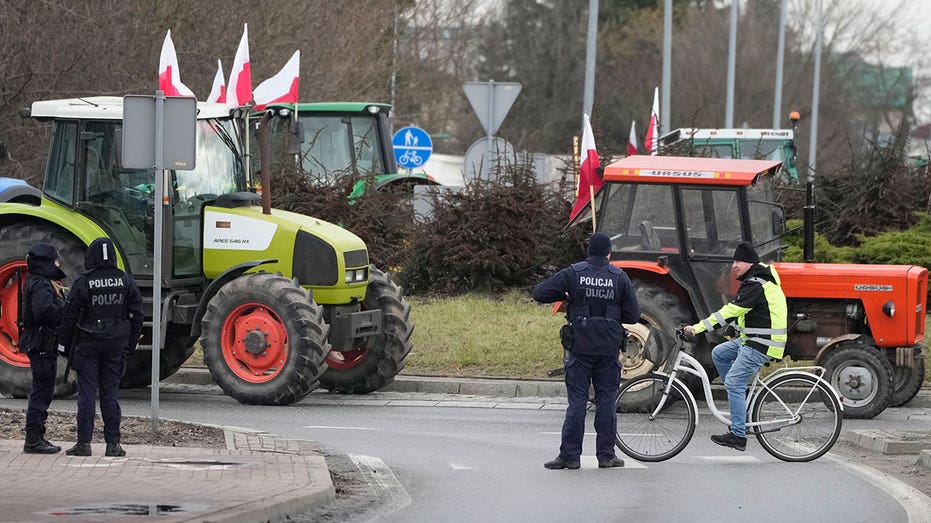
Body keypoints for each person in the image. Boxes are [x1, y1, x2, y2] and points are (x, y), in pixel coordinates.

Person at [533, 232, 641, 469]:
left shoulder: (574, 273)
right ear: (609, 253)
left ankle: (570, 457)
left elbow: (539, 293)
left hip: (580, 347)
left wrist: (568, 296)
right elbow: (633, 315)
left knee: (578, 403)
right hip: (608, 349)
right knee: (606, 402)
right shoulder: (619, 276)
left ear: (588, 252)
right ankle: (606, 456)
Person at [683, 241, 787, 451]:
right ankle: (741, 397)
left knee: (732, 382)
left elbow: (732, 310)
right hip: (755, 337)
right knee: (720, 353)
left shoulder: (756, 284)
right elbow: (746, 313)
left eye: (738, 261)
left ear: (749, 263)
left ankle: (738, 435)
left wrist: (700, 327)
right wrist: (732, 331)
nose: (734, 266)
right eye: (734, 261)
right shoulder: (756, 281)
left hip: (762, 343)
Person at [58, 237, 143, 457]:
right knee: (110, 394)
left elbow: (69, 317)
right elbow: (137, 316)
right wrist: (130, 344)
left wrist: (64, 347)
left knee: (86, 395)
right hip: (116, 344)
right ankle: (113, 444)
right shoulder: (126, 280)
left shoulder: (84, 282)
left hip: (88, 344)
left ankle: (84, 444)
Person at [20, 243, 68, 454]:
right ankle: (33, 438)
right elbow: (44, 310)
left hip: (41, 343)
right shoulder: (40, 283)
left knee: (44, 389)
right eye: (55, 261)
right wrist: (65, 306)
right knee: (42, 390)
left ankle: (36, 435)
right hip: (41, 343)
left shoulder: (40, 281)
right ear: (46, 263)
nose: (58, 265)